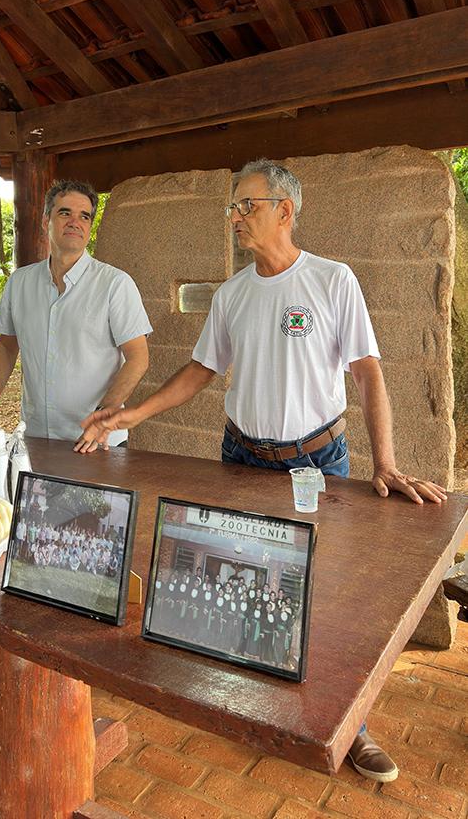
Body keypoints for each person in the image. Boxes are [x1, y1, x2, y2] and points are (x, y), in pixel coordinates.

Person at [80, 157, 448, 782]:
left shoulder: (333, 281)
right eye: (232, 207)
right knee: (241, 580)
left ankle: (350, 727)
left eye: (245, 205)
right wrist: (130, 414)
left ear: (285, 208)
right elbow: (199, 373)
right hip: (241, 459)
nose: (234, 218)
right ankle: (251, 700)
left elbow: (367, 374)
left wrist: (385, 462)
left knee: (324, 593)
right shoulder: (233, 294)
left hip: (317, 462)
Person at [0, 179, 152, 449]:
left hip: (96, 440)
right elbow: (6, 345)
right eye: (65, 213)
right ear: (46, 221)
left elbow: (138, 358)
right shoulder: (19, 283)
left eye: (84, 216)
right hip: (36, 437)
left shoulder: (115, 284)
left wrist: (103, 416)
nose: (75, 222)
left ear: (89, 227)